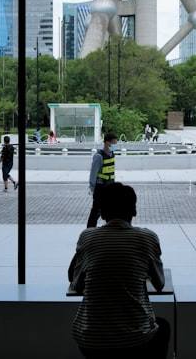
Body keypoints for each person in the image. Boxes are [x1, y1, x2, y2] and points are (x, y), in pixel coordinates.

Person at [68, 182, 169, 359]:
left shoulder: (87, 237)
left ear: (103, 213)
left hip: (91, 340)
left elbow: (75, 284)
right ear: (134, 211)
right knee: (163, 326)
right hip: (136, 340)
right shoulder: (147, 238)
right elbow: (160, 284)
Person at [86, 132, 118, 227]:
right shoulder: (99, 156)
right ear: (107, 143)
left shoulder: (112, 154)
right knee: (96, 211)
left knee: (110, 210)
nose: (115, 146)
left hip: (110, 187)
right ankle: (90, 231)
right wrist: (92, 188)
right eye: (114, 143)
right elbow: (93, 174)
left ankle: (110, 231)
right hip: (100, 187)